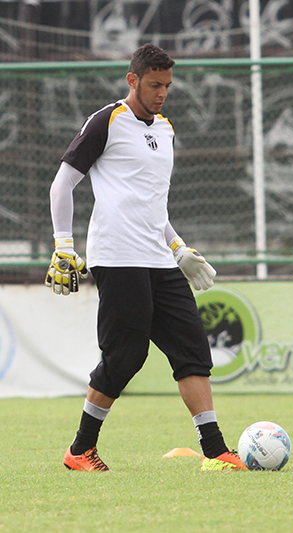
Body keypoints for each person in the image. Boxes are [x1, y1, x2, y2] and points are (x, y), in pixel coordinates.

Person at [47, 43, 246, 472]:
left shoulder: (166, 129)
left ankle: (215, 451)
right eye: (154, 84)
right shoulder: (107, 121)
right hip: (117, 255)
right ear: (132, 80)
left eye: (168, 86)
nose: (162, 93)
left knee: (193, 350)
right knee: (126, 355)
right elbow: (61, 185)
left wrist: (178, 248)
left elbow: (154, 205)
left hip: (159, 258)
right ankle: (80, 450)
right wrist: (64, 245)